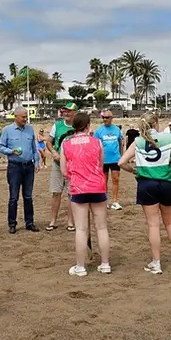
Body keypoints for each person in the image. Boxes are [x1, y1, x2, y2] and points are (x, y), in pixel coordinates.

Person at [118, 112, 171, 274]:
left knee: (153, 224)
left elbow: (121, 162)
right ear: (156, 124)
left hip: (146, 184)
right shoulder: (167, 137)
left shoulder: (138, 141)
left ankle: (156, 263)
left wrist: (134, 171)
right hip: (167, 183)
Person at [61, 112, 111, 276]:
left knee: (81, 229)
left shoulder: (66, 144)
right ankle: (105, 264)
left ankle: (80, 266)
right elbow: (101, 164)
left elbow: (63, 170)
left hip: (78, 189)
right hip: (97, 187)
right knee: (102, 227)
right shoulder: (97, 142)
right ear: (88, 125)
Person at [0, 107, 41, 234]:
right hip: (14, 167)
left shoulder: (30, 129)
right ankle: (12, 223)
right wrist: (11, 151)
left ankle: (30, 222)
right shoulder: (7, 130)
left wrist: (36, 162)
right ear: (16, 116)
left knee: (28, 196)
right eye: (23, 117)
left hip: (29, 167)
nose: (25, 119)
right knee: (13, 197)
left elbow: (34, 148)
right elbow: (0, 146)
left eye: (26, 116)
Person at [46, 103, 78, 232]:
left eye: (69, 111)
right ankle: (53, 220)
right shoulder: (57, 126)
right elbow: (49, 142)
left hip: (73, 165)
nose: (66, 113)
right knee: (56, 192)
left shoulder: (79, 126)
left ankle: (71, 221)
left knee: (71, 193)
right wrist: (53, 152)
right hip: (58, 164)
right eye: (65, 110)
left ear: (75, 112)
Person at [94, 109, 124, 210]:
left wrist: (122, 156)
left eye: (107, 117)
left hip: (115, 159)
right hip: (103, 160)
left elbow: (120, 142)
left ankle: (115, 201)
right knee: (104, 181)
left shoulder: (117, 129)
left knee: (116, 179)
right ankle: (104, 200)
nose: (105, 119)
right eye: (103, 117)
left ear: (112, 118)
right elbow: (95, 146)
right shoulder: (99, 131)